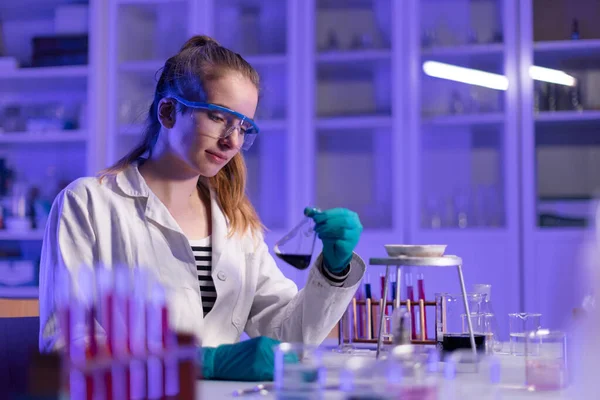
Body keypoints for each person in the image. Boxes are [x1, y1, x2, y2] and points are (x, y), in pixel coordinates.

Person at [38, 35, 365, 381]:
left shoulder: (235, 221)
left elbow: (289, 338)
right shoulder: (89, 205)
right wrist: (201, 363)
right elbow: (67, 348)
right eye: (218, 117)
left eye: (242, 127)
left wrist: (333, 269)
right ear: (167, 112)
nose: (233, 141)